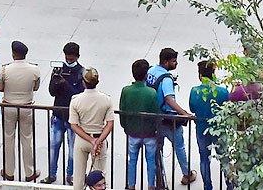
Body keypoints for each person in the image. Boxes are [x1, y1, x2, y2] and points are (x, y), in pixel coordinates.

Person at [0, 40, 41, 182]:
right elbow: (35, 87)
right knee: (27, 139)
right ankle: (29, 172)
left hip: (9, 106)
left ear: (13, 54)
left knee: (8, 139)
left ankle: (9, 172)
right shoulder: (34, 69)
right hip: (26, 106)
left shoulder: (6, 69)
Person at [148, 48, 195, 186]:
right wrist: (184, 113)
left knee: (158, 149)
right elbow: (169, 100)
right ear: (166, 62)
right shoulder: (166, 79)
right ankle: (187, 174)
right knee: (179, 147)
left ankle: (160, 178)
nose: (176, 63)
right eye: (174, 61)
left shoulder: (151, 72)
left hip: (154, 119)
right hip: (169, 119)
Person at [68, 66, 114, 190]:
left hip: (82, 139)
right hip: (100, 138)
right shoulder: (106, 100)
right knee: (99, 178)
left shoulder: (76, 100)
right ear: (97, 82)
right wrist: (97, 141)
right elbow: (109, 124)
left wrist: (90, 140)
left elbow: (74, 125)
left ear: (83, 82)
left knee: (78, 177)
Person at [45, 42, 85, 183]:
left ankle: (71, 175)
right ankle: (51, 174)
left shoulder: (82, 73)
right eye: (67, 59)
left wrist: (65, 84)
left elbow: (79, 95)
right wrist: (56, 81)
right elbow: (51, 92)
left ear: (77, 57)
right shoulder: (59, 70)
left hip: (73, 118)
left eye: (71, 59)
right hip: (58, 115)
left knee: (73, 148)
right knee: (54, 146)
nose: (69, 62)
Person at [120, 58, 162, 190]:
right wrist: (156, 130)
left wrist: (126, 127)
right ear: (146, 75)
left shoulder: (126, 91)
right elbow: (157, 115)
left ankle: (131, 185)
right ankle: (150, 186)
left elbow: (122, 112)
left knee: (132, 161)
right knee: (151, 162)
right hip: (149, 133)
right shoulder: (151, 93)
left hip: (132, 132)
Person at [188, 60, 229, 190]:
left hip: (202, 129)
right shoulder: (222, 91)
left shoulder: (195, 91)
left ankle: (208, 186)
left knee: (204, 159)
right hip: (219, 129)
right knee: (224, 159)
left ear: (200, 75)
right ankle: (230, 185)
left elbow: (192, 108)